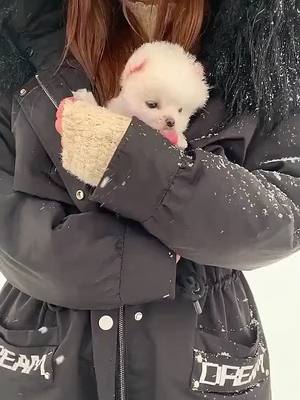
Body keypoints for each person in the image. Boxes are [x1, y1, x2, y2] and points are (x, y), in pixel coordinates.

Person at [0, 0, 299, 399]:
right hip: (47, 354)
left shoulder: (260, 44)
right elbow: (10, 217)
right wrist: (158, 260)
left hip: (201, 346)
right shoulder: (17, 40)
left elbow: (282, 211)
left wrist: (136, 162)